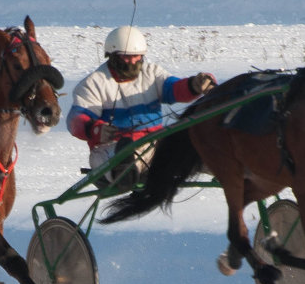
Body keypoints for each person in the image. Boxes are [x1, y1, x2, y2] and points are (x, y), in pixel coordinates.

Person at [66, 25, 217, 192]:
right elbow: (76, 120)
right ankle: (126, 172)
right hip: (111, 149)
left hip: (154, 145)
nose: (132, 61)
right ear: (112, 56)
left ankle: (233, 168)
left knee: (198, 147)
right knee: (122, 155)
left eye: (136, 57)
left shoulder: (151, 73)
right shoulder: (93, 83)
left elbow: (173, 88)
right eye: (126, 57)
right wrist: (95, 130)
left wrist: (194, 85)